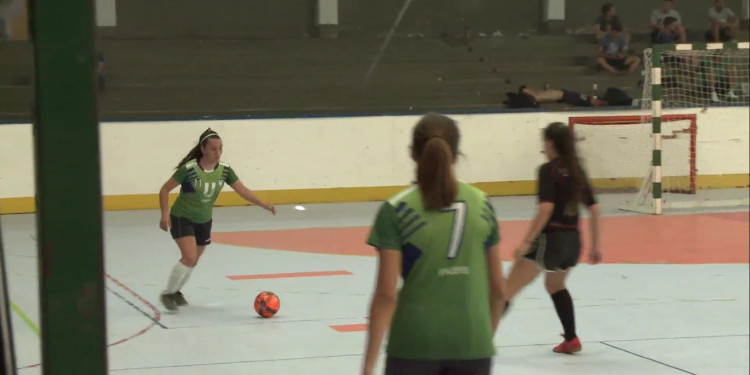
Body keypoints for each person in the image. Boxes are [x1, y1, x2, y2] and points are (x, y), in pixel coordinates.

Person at [362, 113, 505, 375]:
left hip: (414, 345)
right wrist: (483, 339)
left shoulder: (397, 209)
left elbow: (386, 295)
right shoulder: (483, 204)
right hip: (472, 344)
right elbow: (498, 290)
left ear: (412, 153)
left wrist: (368, 366)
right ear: (457, 154)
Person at [501, 122, 602, 354]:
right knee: (555, 285)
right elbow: (595, 209)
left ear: (549, 143)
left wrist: (526, 242)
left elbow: (545, 209)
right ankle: (571, 339)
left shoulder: (548, 170)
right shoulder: (577, 170)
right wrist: (595, 246)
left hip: (550, 240)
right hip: (572, 242)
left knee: (507, 290)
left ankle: (480, 343)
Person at [158, 128, 276, 311]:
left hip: (204, 220)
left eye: (220, 148)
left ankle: (176, 291)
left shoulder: (224, 171)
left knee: (194, 260)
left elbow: (242, 190)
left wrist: (262, 204)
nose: (218, 152)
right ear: (203, 149)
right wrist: (165, 214)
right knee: (188, 257)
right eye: (213, 149)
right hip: (182, 217)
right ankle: (167, 293)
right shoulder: (189, 170)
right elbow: (165, 189)